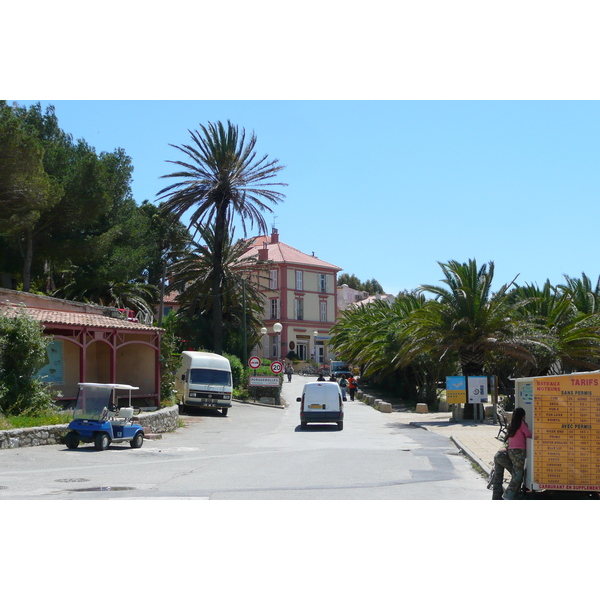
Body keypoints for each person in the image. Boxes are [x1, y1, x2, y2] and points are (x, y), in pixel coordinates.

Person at [504, 407, 532, 499]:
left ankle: (514, 494)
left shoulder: (512, 424)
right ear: (522, 416)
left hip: (511, 450)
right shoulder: (522, 423)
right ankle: (509, 495)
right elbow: (528, 434)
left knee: (517, 473)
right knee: (518, 474)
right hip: (519, 451)